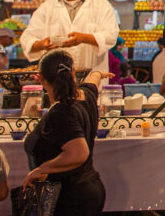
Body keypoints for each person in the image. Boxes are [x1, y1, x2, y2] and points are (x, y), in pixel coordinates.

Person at [23, 50, 110, 215]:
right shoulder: (87, 95)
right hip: (90, 188)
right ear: (73, 72)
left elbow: (78, 153)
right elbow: (93, 79)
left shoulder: (61, 112)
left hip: (70, 197)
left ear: (40, 77)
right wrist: (99, 73)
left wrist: (43, 169)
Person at [20, 0, 119, 72]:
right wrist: (42, 44)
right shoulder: (47, 7)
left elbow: (111, 35)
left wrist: (84, 38)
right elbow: (27, 38)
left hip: (92, 77)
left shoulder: (102, 5)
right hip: (56, 80)